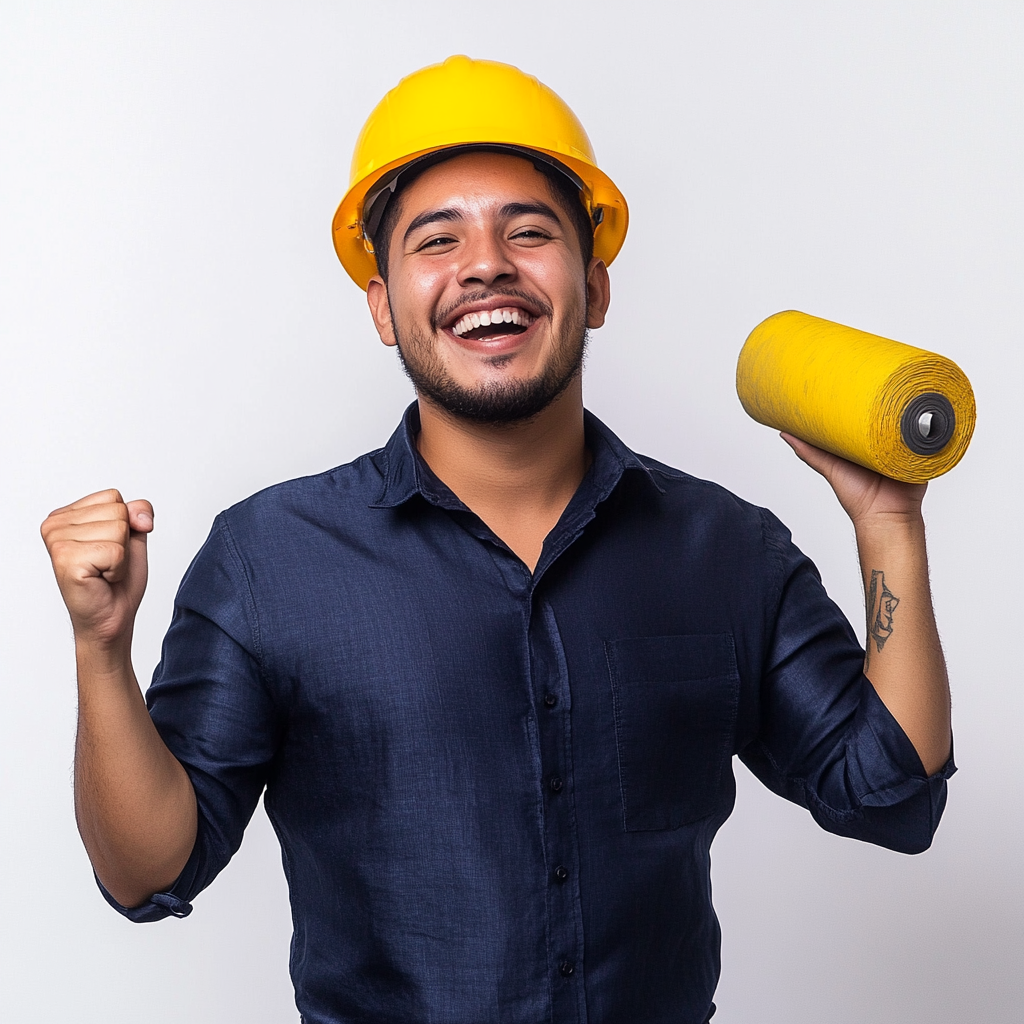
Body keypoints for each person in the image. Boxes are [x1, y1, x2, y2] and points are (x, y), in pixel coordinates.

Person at [41, 56, 953, 1024]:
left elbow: (889, 798)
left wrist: (888, 522)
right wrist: (101, 650)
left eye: (529, 232)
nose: (486, 264)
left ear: (594, 287)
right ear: (384, 306)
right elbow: (151, 872)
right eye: (437, 240)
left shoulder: (725, 549)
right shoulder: (270, 557)